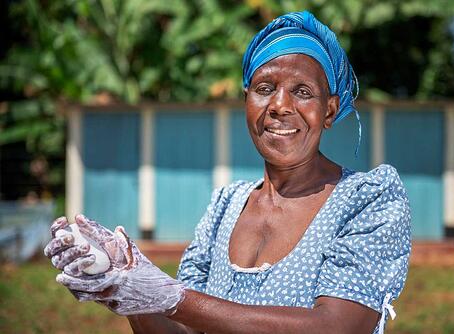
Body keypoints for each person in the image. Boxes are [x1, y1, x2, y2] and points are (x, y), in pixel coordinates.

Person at [44, 11, 411, 334]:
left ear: (329, 111)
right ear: (247, 101)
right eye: (265, 88)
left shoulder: (366, 201)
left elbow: (336, 328)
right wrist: (124, 285)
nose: (280, 106)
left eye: (302, 91)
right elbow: (183, 329)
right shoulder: (227, 205)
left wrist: (170, 297)